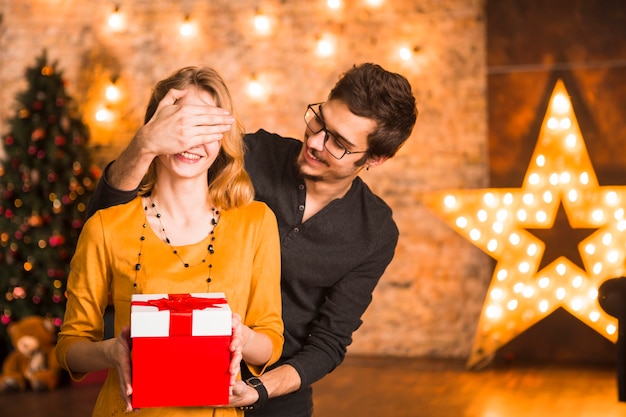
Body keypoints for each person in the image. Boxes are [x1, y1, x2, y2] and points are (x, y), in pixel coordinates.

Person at [87, 63, 418, 417]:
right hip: (177, 371)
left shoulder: (375, 231)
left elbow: (329, 342)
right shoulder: (248, 154)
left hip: (276, 390)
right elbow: (109, 221)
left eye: (339, 142)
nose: (315, 141)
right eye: (320, 121)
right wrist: (144, 144)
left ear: (376, 158)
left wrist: (258, 390)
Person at [56, 67, 284, 417]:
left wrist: (244, 337)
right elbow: (70, 347)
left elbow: (271, 342)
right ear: (154, 130)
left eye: (206, 127)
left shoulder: (256, 222)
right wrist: (112, 352)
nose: (190, 141)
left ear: (223, 137)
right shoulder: (106, 226)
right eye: (180, 125)